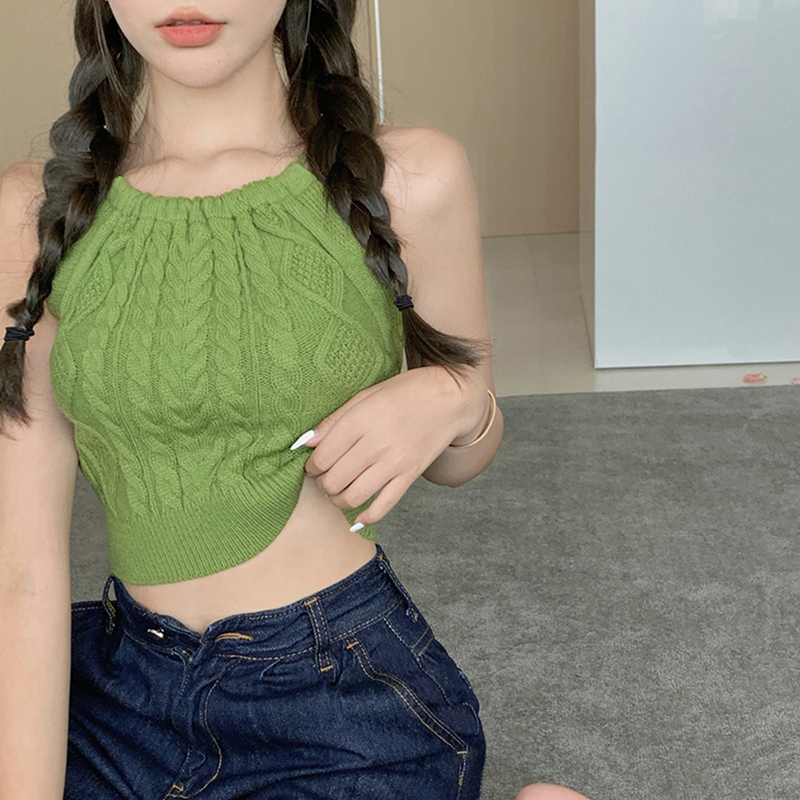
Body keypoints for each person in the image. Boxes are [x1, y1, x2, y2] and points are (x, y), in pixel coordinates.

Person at [0, 1, 592, 798]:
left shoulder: (411, 175)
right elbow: (23, 571)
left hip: (331, 701)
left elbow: (464, 457)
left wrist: (454, 397)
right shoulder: (33, 211)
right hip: (122, 688)